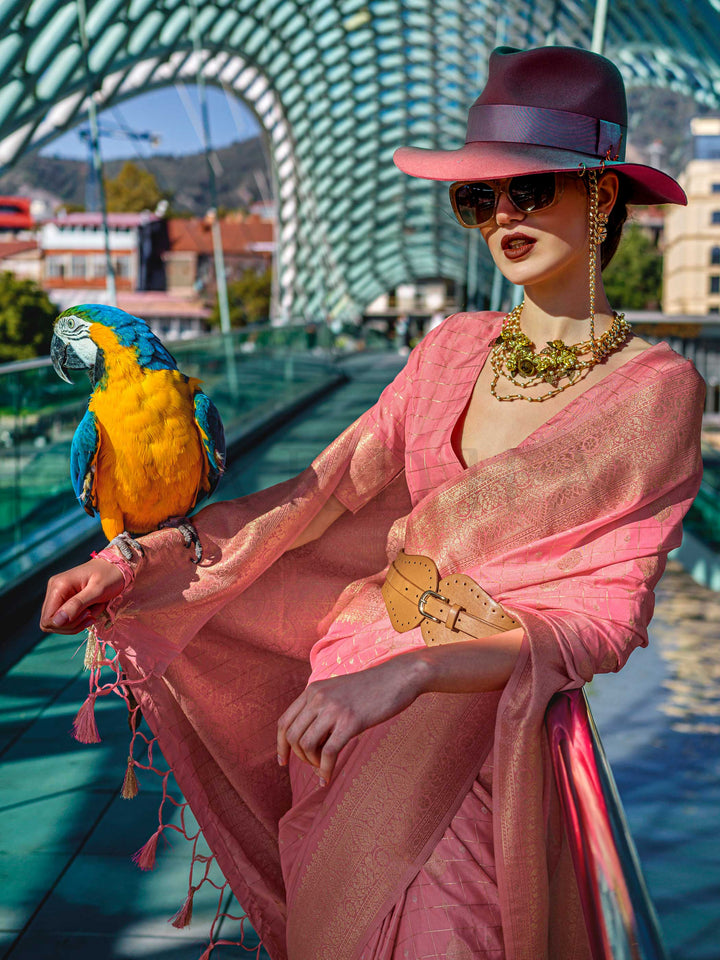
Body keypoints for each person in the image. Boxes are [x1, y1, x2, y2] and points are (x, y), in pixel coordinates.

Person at [40, 46, 703, 960]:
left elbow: (605, 619)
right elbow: (317, 497)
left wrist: (418, 672)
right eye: (480, 198)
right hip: (345, 703)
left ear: (601, 194)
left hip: (481, 727)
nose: (503, 216)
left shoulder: (655, 390)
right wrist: (136, 558)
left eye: (531, 187)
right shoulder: (449, 349)